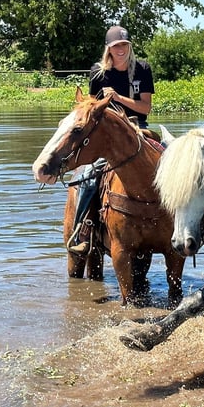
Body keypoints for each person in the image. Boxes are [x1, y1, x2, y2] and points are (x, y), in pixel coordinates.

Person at [66, 25, 155, 255]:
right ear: (109, 49)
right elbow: (92, 110)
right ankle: (82, 229)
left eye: (125, 45)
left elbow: (146, 107)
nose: (121, 49)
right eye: (117, 46)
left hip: (138, 127)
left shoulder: (142, 69)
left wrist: (118, 97)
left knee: (168, 160)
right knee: (88, 174)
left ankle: (178, 226)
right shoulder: (98, 72)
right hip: (106, 134)